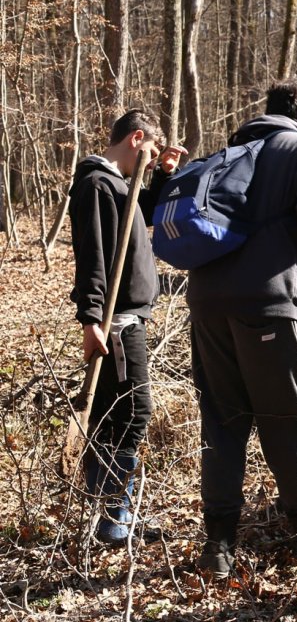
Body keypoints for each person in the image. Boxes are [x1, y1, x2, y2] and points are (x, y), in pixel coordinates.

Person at [189, 77, 297, 578]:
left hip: (207, 302)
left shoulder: (229, 151)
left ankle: (219, 546)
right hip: (271, 303)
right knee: (284, 418)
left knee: (223, 421)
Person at [68, 109, 185, 545]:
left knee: (109, 418)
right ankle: (115, 519)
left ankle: (109, 519)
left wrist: (164, 175)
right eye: (151, 153)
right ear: (136, 139)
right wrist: (92, 319)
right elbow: (94, 257)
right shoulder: (99, 185)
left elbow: (144, 211)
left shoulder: (119, 184)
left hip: (127, 317)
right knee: (133, 416)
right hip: (116, 322)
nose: (152, 161)